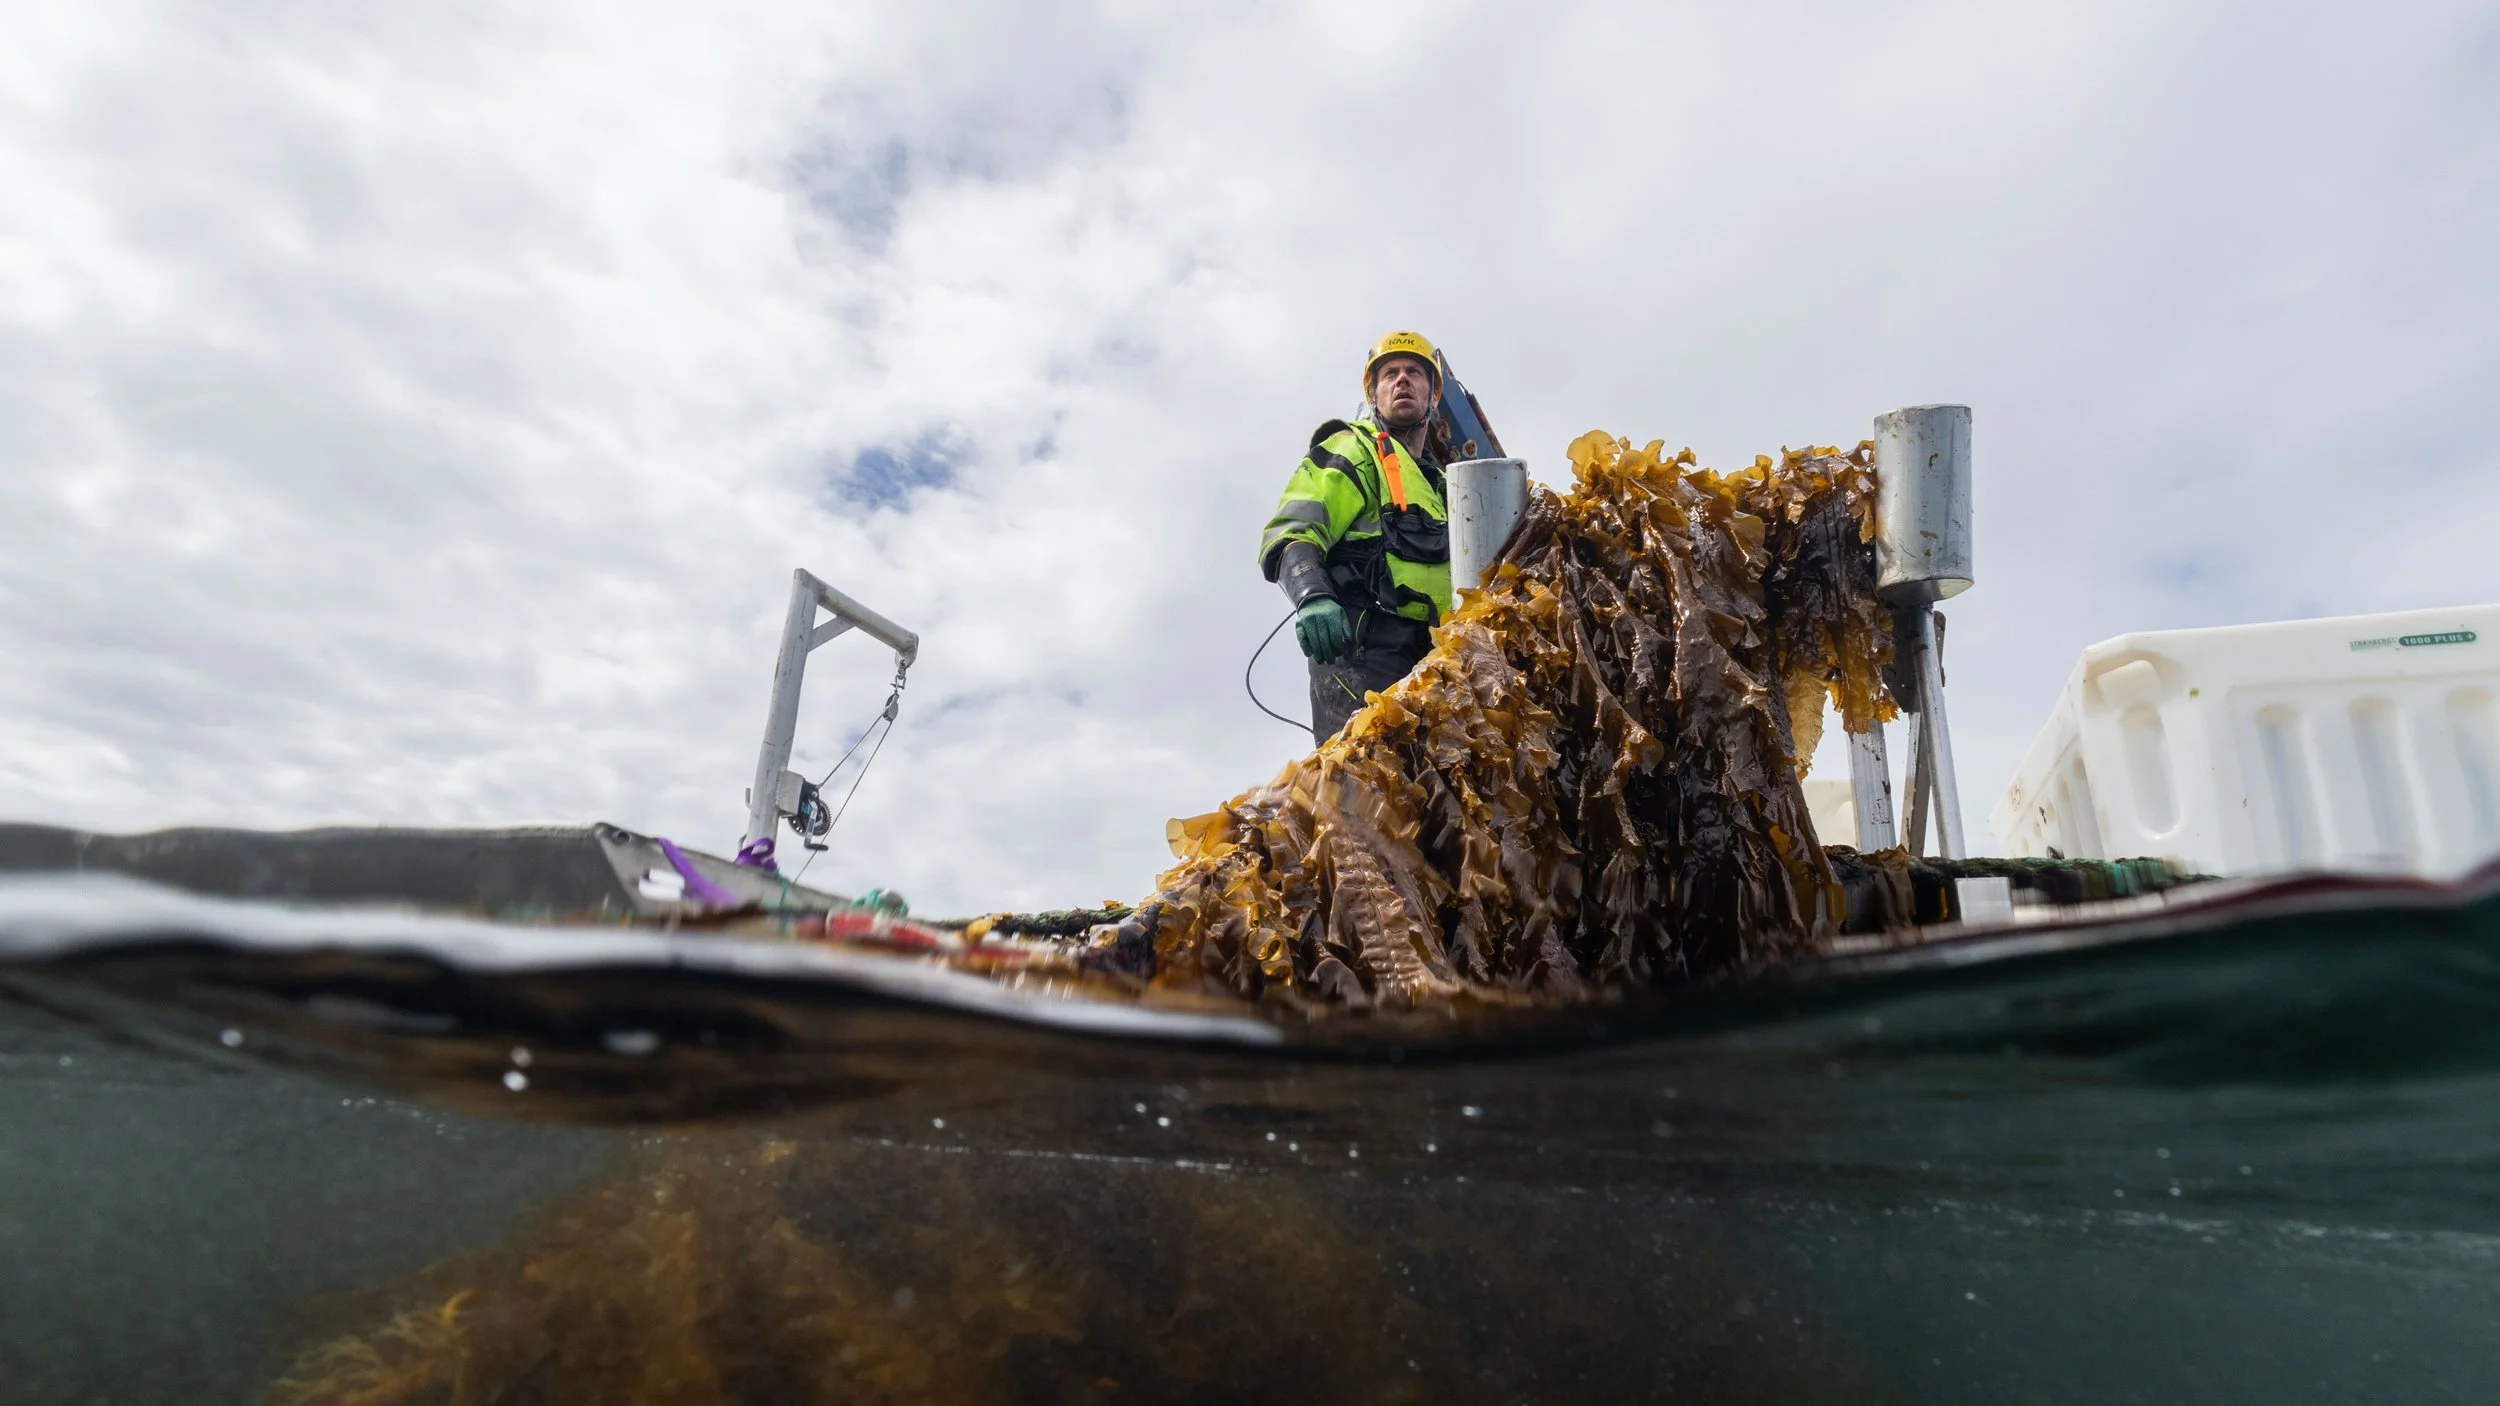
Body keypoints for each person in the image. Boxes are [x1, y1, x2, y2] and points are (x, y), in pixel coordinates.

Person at [1258, 331, 1455, 744]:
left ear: (1433, 396)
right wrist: (1312, 594)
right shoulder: (1351, 449)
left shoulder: (1445, 487)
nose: (1402, 380)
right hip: (1364, 651)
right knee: (1366, 789)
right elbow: (1294, 529)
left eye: (1415, 373)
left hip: (1438, 658)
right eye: (1390, 374)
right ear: (1374, 393)